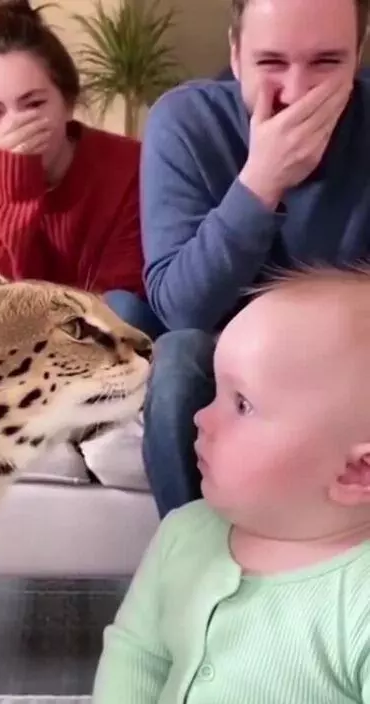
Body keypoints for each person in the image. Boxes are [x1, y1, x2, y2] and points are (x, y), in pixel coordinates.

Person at [26, 267, 370, 704]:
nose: (199, 418)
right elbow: (137, 663)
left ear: (356, 470)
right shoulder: (187, 535)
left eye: (241, 404)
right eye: (212, 393)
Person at [139, 0, 370, 516]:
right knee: (176, 361)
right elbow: (181, 308)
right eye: (270, 63)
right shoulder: (186, 122)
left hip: (350, 358)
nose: (295, 92)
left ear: (358, 56)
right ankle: (195, 563)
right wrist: (262, 181)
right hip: (228, 356)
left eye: (327, 63)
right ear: (236, 55)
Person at [0, 0, 162, 339]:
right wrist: (11, 189)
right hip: (16, 348)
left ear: (68, 101)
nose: (16, 125)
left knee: (123, 307)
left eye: (33, 104)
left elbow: (126, 295)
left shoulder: (129, 164)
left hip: (109, 337)